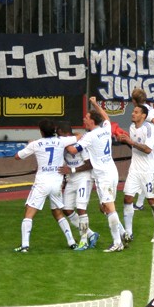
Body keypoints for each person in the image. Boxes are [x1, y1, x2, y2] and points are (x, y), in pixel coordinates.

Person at [63, 97, 127, 253]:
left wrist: (62, 141)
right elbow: (106, 117)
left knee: (109, 207)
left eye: (86, 118)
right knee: (105, 206)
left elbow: (73, 151)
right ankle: (123, 234)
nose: (84, 120)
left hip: (103, 176)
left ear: (92, 121)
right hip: (112, 171)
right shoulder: (105, 128)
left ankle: (117, 242)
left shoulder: (89, 137)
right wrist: (95, 104)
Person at [12, 119, 78, 252]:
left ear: (41, 131)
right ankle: (72, 242)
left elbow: (17, 157)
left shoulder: (36, 144)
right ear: (54, 130)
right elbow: (78, 137)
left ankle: (25, 245)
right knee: (58, 213)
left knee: (29, 213)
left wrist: (29, 145)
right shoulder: (61, 141)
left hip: (42, 183)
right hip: (56, 183)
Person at [118, 105, 154, 243]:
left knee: (152, 201)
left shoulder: (149, 128)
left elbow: (148, 149)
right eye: (133, 111)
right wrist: (126, 140)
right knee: (127, 198)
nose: (133, 114)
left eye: (136, 112)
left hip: (149, 171)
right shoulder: (132, 128)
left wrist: (130, 141)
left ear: (143, 116)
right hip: (134, 169)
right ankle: (129, 233)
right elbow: (135, 146)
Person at [55, 121, 99, 251]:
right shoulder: (62, 145)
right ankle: (91, 234)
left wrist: (72, 170)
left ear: (65, 134)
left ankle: (84, 241)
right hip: (71, 179)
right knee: (67, 209)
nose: (58, 137)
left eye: (59, 134)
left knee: (81, 208)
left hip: (83, 178)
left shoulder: (81, 144)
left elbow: (89, 164)